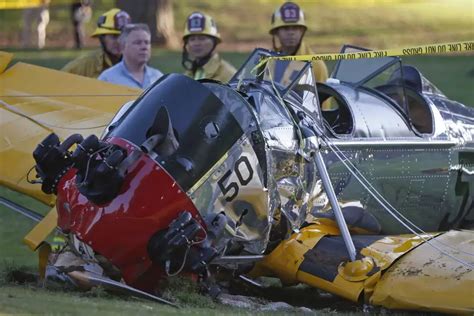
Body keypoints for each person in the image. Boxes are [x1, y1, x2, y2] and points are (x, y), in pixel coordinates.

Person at [269, 2, 333, 110]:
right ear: (276, 32)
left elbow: (324, 109)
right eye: (285, 28)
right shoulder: (269, 61)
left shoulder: (316, 65)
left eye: (295, 28)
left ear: (302, 31)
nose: (291, 33)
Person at [62, 8, 131, 78]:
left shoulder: (139, 64)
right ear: (102, 38)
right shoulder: (87, 65)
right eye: (114, 36)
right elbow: (58, 79)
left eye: (123, 37)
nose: (119, 42)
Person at [98, 24, 163, 89]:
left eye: (147, 42)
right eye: (138, 42)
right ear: (123, 47)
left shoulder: (158, 78)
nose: (144, 47)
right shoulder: (107, 79)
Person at [182, 12, 236, 83]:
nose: (196, 43)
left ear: (214, 42)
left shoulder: (229, 75)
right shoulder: (188, 74)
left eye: (202, 38)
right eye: (192, 39)